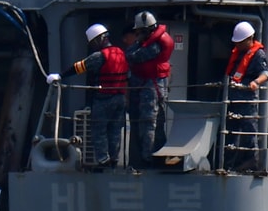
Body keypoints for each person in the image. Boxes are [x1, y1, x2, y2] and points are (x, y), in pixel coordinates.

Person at [47, 24, 129, 169]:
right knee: (115, 130)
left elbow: (79, 67)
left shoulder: (99, 56)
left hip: (104, 98)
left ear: (99, 39)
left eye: (93, 42)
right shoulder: (120, 52)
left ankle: (103, 161)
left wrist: (60, 76)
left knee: (99, 130)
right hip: (120, 98)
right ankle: (114, 161)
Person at [124, 10, 174, 168]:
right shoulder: (147, 42)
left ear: (146, 30)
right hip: (143, 83)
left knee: (149, 121)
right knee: (145, 121)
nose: (137, 34)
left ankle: (149, 158)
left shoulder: (157, 44)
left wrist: (134, 48)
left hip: (152, 86)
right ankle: (149, 154)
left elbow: (134, 56)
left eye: (138, 31)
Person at [225, 21, 268, 170]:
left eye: (240, 42)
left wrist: (256, 82)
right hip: (233, 100)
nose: (237, 45)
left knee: (249, 134)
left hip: (247, 101)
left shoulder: (258, 54)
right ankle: (229, 165)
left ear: (249, 39)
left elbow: (266, 74)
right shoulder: (238, 53)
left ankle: (251, 165)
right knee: (231, 135)